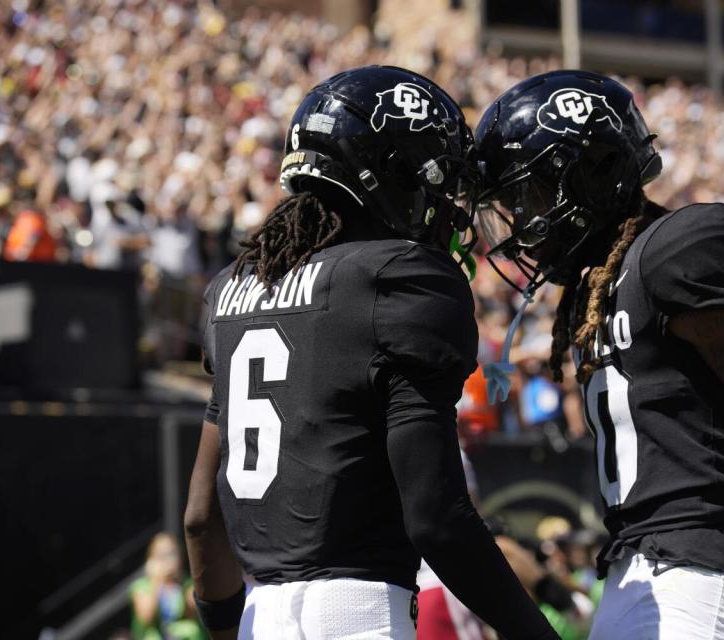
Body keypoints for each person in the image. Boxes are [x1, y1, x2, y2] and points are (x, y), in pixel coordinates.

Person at [471, 70, 724, 640]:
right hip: (646, 572)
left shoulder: (681, 247)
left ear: (587, 174)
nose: (520, 225)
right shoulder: (597, 285)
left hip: (701, 576)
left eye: (524, 197)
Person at [183, 65, 561, 640]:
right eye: (433, 180)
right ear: (389, 173)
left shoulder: (230, 290)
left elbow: (199, 519)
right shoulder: (400, 280)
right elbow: (437, 520)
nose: (446, 207)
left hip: (258, 616)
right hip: (357, 614)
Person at [129, 533, 203, 640]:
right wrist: (157, 581)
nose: (167, 560)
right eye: (161, 555)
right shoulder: (141, 586)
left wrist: (179, 583)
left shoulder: (187, 584)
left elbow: (194, 612)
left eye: (172, 554)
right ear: (151, 559)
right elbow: (146, 617)